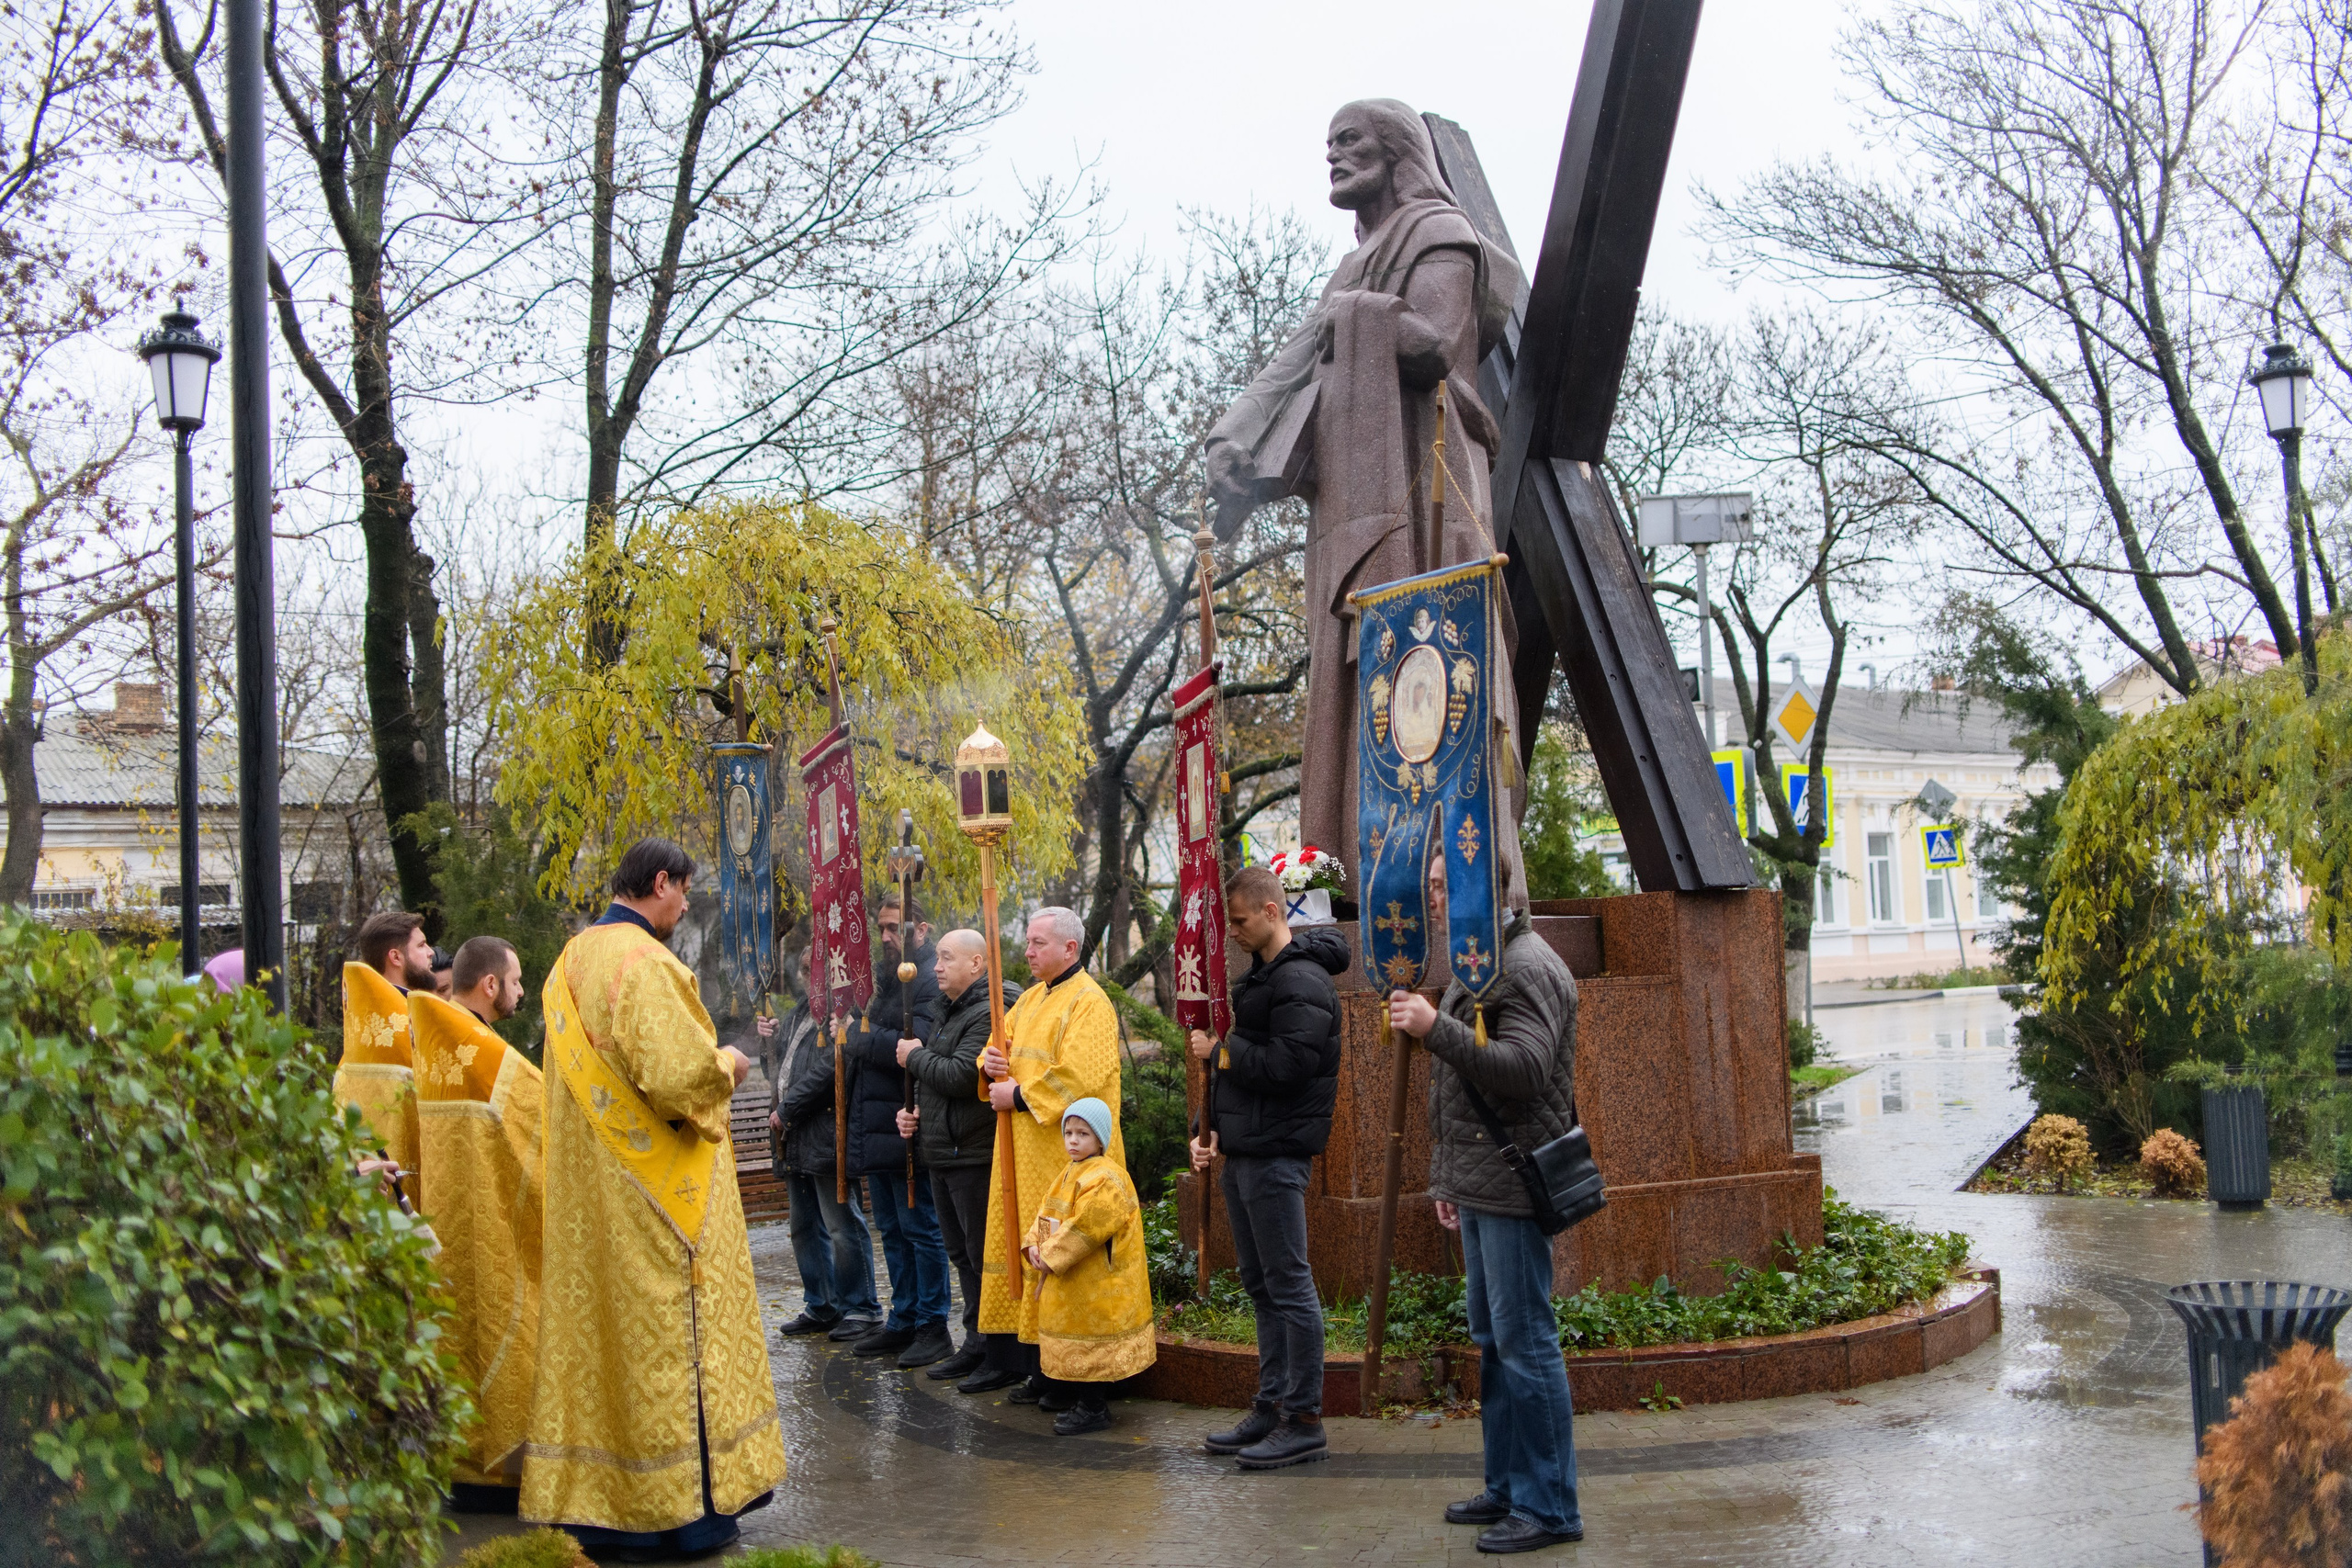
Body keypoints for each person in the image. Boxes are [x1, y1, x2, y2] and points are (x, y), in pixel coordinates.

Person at [1204, 98, 1530, 907]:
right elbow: (1294, 359)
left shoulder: (1440, 236)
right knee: (1357, 667)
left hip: (1430, 481)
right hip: (1357, 490)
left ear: (1395, 152)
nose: (1334, 158)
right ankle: (1355, 865)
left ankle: (1447, 871)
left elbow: (1434, 342)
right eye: (1328, 146)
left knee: (1431, 660)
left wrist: (1355, 321)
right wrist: (1234, 435)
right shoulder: (1351, 268)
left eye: (1349, 143)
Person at [520, 839, 785, 1557]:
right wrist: (730, 1060)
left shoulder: (572, 959)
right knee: (672, 1342)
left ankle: (598, 1500)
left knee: (604, 1345)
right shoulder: (644, 963)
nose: (685, 906)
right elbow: (679, 1080)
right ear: (660, 882)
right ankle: (677, 1513)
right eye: (684, 892)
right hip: (659, 1199)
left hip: (592, 1191)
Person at [1386, 878, 1583, 1554]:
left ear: (1489, 885)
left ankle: (1551, 1506)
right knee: (1496, 1340)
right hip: (1483, 1183)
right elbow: (1465, 1091)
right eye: (1432, 884)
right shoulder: (1482, 960)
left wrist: (1433, 1025)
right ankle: (1508, 1486)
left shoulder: (1523, 964)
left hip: (1513, 1185)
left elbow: (1524, 1069)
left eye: (1444, 883)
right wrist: (1451, 1180)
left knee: (1524, 1343)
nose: (1432, 896)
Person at [1187, 864, 1346, 1469]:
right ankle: (1272, 1402)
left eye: (1240, 918)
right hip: (1248, 1151)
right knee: (1261, 1283)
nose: (1231, 931)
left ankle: (1303, 1417)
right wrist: (1206, 1130)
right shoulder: (1262, 978)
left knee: (1287, 1283)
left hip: (1278, 1154)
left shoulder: (1302, 979)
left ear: (1273, 911)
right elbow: (1242, 1082)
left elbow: (1287, 1065)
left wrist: (1223, 1051)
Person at [408, 934, 542, 1512]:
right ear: (489, 985)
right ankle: (497, 1475)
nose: (519, 992)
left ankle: (460, 1462)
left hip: (446, 1230)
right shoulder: (483, 1051)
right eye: (514, 982)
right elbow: (546, 1124)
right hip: (495, 1234)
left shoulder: (435, 1039)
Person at [977, 907, 1124, 1409]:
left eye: (1039, 942)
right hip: (1023, 1152)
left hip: (1071, 1156)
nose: (1028, 951)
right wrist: (989, 1062)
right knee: (1033, 1251)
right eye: (1028, 941)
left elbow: (1079, 1078)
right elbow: (997, 1046)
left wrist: (1017, 1096)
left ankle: (1079, 1379)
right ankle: (1044, 1364)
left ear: (1069, 948)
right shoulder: (1030, 998)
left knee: (1065, 1256)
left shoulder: (1091, 1002)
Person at [894, 928, 1023, 1387]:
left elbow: (957, 1077)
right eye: (938, 958)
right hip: (943, 1150)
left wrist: (914, 1056)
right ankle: (975, 1341)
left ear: (977, 964)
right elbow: (937, 1086)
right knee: (961, 1254)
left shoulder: (993, 1010)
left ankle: (996, 1349)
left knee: (979, 1253)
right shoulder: (947, 1011)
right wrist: (913, 1115)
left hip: (973, 1150)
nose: (936, 966)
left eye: (947, 958)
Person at [841, 891, 952, 1367]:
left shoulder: (928, 978)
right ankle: (902, 1317)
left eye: (896, 928)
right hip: (878, 1123)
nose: (887, 937)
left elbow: (917, 1045)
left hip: (909, 1123)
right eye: (882, 928)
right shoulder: (886, 979)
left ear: (920, 931)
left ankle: (933, 1324)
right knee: (890, 1226)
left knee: (920, 1227)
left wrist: (859, 1039)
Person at [1020, 1097, 1154, 1436]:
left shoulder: (1107, 1177)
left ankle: (1094, 1408)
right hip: (1072, 1276)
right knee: (1079, 1337)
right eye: (1068, 1132)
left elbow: (1088, 1227)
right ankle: (1081, 1400)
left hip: (1097, 1282)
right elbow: (1046, 1214)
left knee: (1093, 1343)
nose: (1073, 1140)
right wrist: (1033, 1245)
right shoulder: (1068, 1172)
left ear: (1100, 1139)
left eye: (1083, 1133)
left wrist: (1049, 1254)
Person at [771, 947, 882, 1342]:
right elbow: (783, 1067)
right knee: (803, 1226)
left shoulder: (843, 1016)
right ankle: (822, 1304)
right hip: (793, 1136)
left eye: (813, 970)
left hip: (822, 1131)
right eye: (803, 970)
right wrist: (770, 1038)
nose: (806, 977)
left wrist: (788, 1107)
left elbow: (828, 1071)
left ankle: (862, 1306)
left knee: (840, 1225)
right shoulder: (799, 1013)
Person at [334, 911, 434, 1210]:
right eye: (421, 945)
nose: (430, 952)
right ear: (396, 956)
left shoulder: (359, 1033)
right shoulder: (412, 1029)